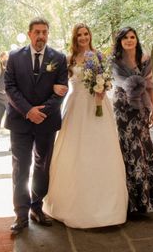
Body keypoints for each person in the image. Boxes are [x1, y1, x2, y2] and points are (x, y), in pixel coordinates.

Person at [44, 24, 128, 228]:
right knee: (75, 151)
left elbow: (108, 79)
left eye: (86, 34)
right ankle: (72, 205)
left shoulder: (98, 56)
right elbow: (59, 81)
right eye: (79, 35)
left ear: (90, 35)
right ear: (75, 38)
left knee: (101, 151)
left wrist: (104, 86)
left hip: (97, 105)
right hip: (76, 107)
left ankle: (107, 208)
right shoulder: (68, 59)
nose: (83, 37)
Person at [4, 17, 68, 234]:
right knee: (20, 167)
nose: (41, 36)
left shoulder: (58, 58)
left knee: (42, 166)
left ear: (48, 34)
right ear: (30, 33)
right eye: (37, 32)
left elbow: (61, 89)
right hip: (20, 122)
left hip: (46, 123)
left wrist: (42, 112)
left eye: (45, 32)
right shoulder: (14, 57)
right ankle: (21, 214)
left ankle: (36, 207)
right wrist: (28, 111)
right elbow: (10, 87)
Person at [111, 26, 153, 213]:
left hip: (140, 107)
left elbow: (149, 85)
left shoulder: (145, 58)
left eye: (132, 37)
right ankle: (129, 198)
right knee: (127, 146)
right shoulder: (114, 61)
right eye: (125, 38)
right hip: (122, 109)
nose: (129, 40)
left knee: (142, 145)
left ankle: (150, 196)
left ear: (136, 39)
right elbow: (121, 84)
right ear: (120, 41)